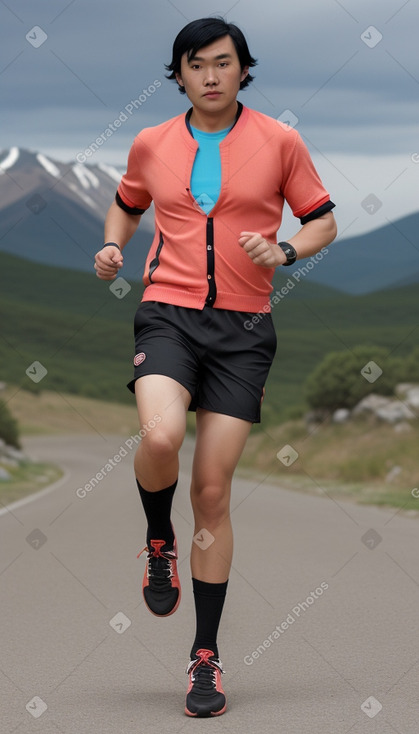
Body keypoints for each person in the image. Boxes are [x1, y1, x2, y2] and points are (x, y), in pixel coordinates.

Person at [94, 16, 337, 718]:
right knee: (161, 438)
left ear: (241, 69)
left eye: (223, 63)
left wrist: (286, 251)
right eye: (195, 64)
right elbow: (125, 206)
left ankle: (205, 658)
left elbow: (321, 218)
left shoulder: (278, 141)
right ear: (177, 74)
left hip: (242, 330)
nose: (209, 75)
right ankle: (157, 539)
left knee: (210, 492)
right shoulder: (151, 143)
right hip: (166, 312)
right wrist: (113, 247)